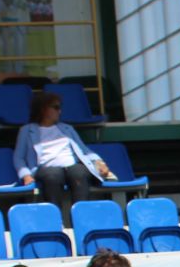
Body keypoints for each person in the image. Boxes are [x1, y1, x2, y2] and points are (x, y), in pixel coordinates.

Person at [13, 91, 113, 226]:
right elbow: (18, 157)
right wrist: (25, 175)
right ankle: (55, 221)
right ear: (43, 109)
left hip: (71, 165)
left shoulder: (67, 128)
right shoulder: (27, 130)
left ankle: (81, 220)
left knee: (79, 172)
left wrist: (99, 163)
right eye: (55, 107)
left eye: (59, 107)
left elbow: (84, 150)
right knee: (53, 175)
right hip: (46, 167)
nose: (59, 111)